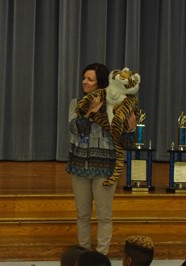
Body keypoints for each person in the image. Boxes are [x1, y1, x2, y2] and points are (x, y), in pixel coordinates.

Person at [67, 63, 136, 255]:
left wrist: (131, 128)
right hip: (80, 167)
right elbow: (75, 129)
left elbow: (127, 143)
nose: (85, 82)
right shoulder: (76, 103)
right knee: (83, 214)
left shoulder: (116, 105)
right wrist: (89, 113)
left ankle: (101, 257)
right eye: (84, 78)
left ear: (101, 82)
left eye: (90, 79)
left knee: (104, 216)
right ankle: (84, 254)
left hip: (105, 169)